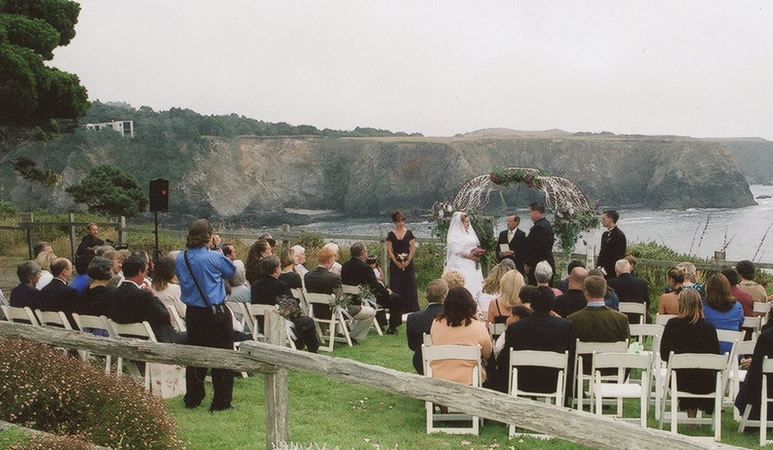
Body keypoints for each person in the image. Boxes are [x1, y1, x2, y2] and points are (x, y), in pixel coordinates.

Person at [175, 219, 237, 412]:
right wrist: (218, 248)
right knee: (223, 356)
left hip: (193, 312)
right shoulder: (213, 257)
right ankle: (221, 402)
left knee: (195, 356)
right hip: (215, 311)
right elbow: (231, 271)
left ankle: (193, 397)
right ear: (209, 236)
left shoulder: (180, 257)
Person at [494, 286, 575, 401]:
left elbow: (505, 358)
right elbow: (570, 357)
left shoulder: (516, 328)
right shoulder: (566, 327)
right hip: (555, 381)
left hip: (522, 381)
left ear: (531, 305)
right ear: (552, 304)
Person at [660, 289, 721, 419]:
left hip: (680, 379)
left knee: (686, 373)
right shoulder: (709, 327)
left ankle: (691, 417)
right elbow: (716, 355)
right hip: (706, 382)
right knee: (697, 374)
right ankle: (693, 416)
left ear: (681, 304)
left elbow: (664, 354)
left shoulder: (672, 325)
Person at [304, 244, 376, 343]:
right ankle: (353, 336)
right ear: (329, 260)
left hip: (316, 312)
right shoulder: (333, 278)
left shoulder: (307, 276)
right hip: (334, 313)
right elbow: (340, 299)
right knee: (371, 311)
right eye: (334, 258)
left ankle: (342, 334)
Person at [251, 256, 319, 352]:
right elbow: (292, 308)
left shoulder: (255, 285)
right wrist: (298, 313)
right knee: (307, 321)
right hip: (279, 322)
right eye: (279, 267)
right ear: (276, 270)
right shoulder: (281, 285)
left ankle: (300, 344)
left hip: (261, 324)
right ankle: (312, 349)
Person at [429, 287, 492, 384]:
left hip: (439, 375)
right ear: (470, 304)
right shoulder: (478, 327)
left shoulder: (436, 323)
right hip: (469, 378)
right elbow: (487, 353)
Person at [568, 275, 630, 375]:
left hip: (583, 367)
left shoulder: (573, 319)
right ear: (604, 292)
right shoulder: (621, 319)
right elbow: (626, 346)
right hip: (611, 366)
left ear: (586, 292)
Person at [111, 255, 180, 344]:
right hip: (151, 339)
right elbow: (165, 316)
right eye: (145, 272)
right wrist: (154, 295)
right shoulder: (143, 296)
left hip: (122, 337)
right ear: (140, 272)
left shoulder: (113, 293)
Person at [342, 242, 404, 335]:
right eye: (366, 251)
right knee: (395, 298)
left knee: (385, 295)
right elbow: (374, 285)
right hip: (363, 299)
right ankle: (392, 327)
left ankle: (381, 323)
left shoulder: (345, 265)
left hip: (350, 298)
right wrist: (387, 292)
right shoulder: (365, 267)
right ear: (363, 253)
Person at [407, 279, 449, 374]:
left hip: (422, 361)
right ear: (445, 295)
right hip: (448, 360)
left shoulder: (413, 318)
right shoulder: (453, 317)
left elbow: (412, 346)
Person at [734, 325, 773, 422]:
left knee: (753, 376)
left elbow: (755, 371)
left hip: (765, 390)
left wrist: (755, 362)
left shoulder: (766, 336)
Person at [444, 212, 484, 298]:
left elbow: (475, 244)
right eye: (466, 222)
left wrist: (477, 252)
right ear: (460, 223)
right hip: (461, 262)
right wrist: (472, 257)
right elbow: (457, 250)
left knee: (476, 282)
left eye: (468, 221)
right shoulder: (453, 235)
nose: (468, 224)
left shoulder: (470, 233)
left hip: (473, 263)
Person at [702, 273, 744, 356]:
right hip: (733, 353)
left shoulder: (702, 307)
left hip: (709, 351)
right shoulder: (738, 307)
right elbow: (740, 324)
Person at [386, 210, 419, 312]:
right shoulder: (391, 234)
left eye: (402, 221)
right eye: (398, 221)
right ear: (394, 222)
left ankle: (411, 308)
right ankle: (397, 308)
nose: (400, 223)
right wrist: (396, 262)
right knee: (396, 284)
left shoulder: (409, 233)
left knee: (410, 284)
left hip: (408, 263)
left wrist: (408, 261)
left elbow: (413, 248)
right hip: (395, 264)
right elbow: (389, 250)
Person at [37, 257, 79, 324]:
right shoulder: (70, 292)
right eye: (71, 269)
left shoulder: (43, 290)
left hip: (49, 326)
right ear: (64, 272)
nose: (72, 271)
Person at [608, 259, 651, 324]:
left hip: (617, 320)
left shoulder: (610, 283)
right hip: (637, 320)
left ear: (616, 270)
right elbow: (647, 302)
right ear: (629, 269)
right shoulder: (642, 283)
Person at [523, 202, 556, 286]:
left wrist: (529, 264)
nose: (529, 214)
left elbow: (536, 249)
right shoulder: (546, 224)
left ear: (536, 212)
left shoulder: (539, 227)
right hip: (546, 263)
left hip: (539, 266)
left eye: (530, 212)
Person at [152, 256, 187, 324]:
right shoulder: (175, 289)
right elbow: (183, 312)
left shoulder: (150, 288)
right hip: (177, 326)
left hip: (157, 326)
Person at [597, 210, 626, 280]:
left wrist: (605, 270)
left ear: (610, 220)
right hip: (601, 270)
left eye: (604, 219)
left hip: (612, 272)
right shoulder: (605, 235)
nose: (602, 221)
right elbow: (602, 252)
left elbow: (618, 256)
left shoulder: (619, 235)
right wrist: (599, 267)